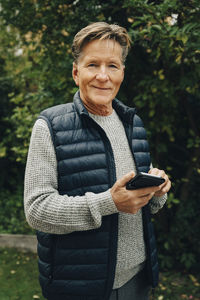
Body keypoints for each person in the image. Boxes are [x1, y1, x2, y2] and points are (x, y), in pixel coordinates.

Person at [24, 22, 171, 300]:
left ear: (122, 73)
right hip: (80, 287)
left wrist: (156, 191)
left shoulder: (133, 123)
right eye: (93, 65)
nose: (103, 76)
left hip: (138, 280)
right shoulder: (49, 126)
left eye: (112, 66)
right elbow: (37, 210)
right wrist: (109, 202)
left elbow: (139, 206)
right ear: (76, 72)